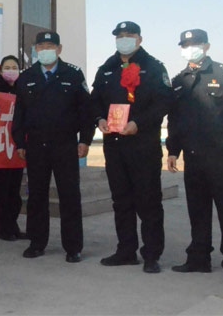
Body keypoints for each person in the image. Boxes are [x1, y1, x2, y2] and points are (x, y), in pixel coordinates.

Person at [166, 29, 223, 281]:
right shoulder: (179, 80)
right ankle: (199, 258)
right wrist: (173, 150)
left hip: (220, 156)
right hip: (193, 157)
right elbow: (175, 120)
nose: (189, 49)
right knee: (197, 211)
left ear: (206, 46)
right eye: (185, 45)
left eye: (194, 44)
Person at [91, 21, 173, 274]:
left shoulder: (154, 67)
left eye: (129, 35)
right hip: (114, 145)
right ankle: (126, 251)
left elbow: (164, 102)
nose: (124, 39)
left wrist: (139, 123)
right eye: (120, 35)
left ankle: (151, 254)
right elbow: (94, 100)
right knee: (121, 201)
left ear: (139, 39)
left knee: (148, 201)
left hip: (143, 144)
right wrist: (99, 119)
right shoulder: (107, 68)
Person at [11, 33, 93, 262]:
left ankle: (73, 247)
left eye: (50, 45)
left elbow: (85, 111)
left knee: (69, 195)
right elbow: (19, 113)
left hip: (65, 144)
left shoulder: (73, 74)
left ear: (59, 48)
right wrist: (20, 142)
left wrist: (85, 139)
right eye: (41, 46)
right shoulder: (27, 76)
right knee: (36, 196)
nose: (45, 49)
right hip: (36, 145)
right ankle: (37, 243)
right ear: (35, 49)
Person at [0, 55, 29, 242]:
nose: (11, 70)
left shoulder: (23, 90)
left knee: (15, 191)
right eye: (7, 67)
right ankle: (2, 228)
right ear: (0, 70)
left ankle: (13, 226)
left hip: (17, 147)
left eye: (14, 67)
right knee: (1, 190)